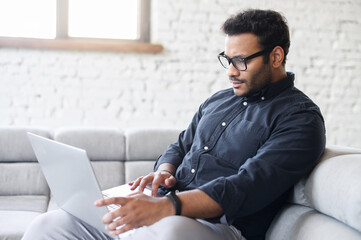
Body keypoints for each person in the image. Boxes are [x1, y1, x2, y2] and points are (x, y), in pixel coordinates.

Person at [22, 9, 325, 240]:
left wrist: (167, 207)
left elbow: (247, 187)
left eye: (241, 61)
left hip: (220, 226)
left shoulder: (300, 119)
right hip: (167, 206)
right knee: (51, 224)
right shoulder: (219, 100)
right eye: (227, 59)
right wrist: (164, 173)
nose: (231, 72)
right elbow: (180, 145)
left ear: (276, 56)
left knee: (167, 232)